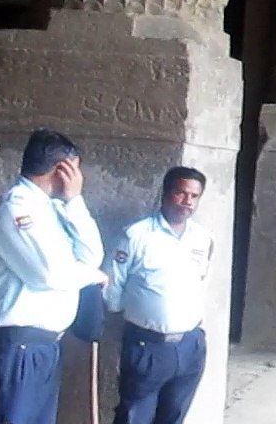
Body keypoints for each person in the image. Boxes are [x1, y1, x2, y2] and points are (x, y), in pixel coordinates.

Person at [0, 128, 107, 424]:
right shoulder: (16, 206)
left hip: (43, 345)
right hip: (18, 343)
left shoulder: (54, 209)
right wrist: (91, 276)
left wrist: (75, 202)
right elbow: (47, 274)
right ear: (63, 170)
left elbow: (92, 255)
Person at [105, 167, 214, 424]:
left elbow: (202, 282)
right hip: (148, 346)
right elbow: (113, 285)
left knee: (174, 417)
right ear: (165, 193)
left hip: (190, 346)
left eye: (194, 196)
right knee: (134, 416)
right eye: (180, 193)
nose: (187, 201)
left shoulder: (203, 238)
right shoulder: (136, 235)